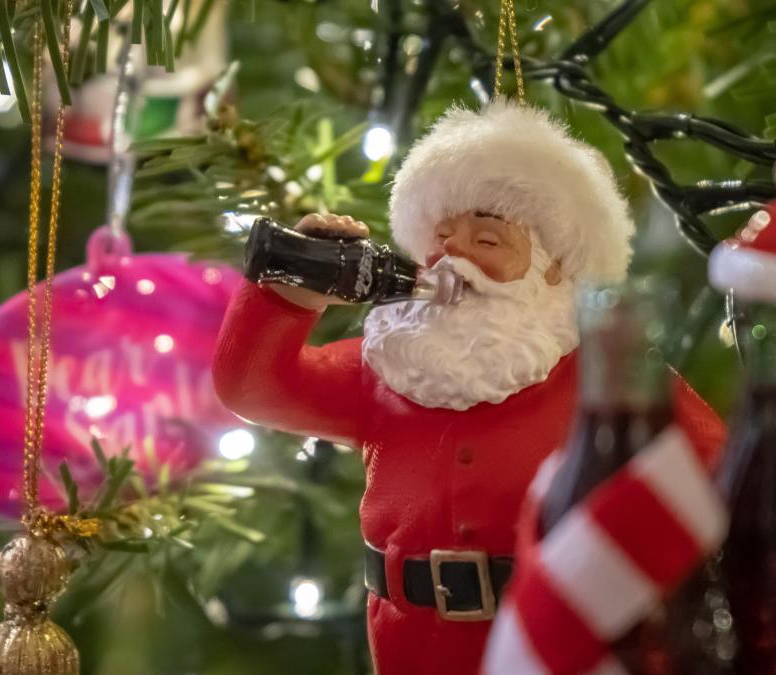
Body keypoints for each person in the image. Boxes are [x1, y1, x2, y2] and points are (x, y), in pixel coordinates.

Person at [212, 101, 725, 674]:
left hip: (551, 644)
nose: (453, 258)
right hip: (408, 645)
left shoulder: (609, 376)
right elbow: (252, 388)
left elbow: (725, 479)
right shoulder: (388, 368)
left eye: (487, 241)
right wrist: (290, 293)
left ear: (553, 270)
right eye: (443, 238)